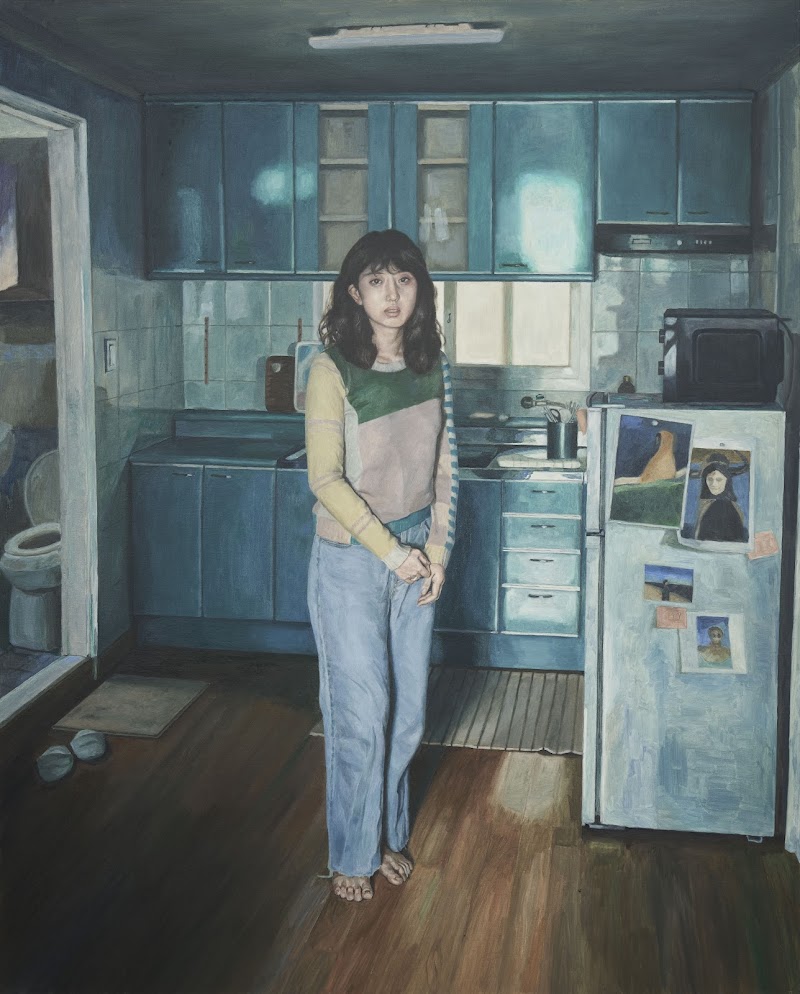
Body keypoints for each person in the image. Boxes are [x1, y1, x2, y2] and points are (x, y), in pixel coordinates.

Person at [304, 229, 458, 904]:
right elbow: (325, 479)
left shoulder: (433, 364)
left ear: (421, 288)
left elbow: (447, 467)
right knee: (360, 714)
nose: (392, 295)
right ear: (354, 293)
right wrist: (393, 554)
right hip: (352, 560)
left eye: (404, 279)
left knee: (409, 714)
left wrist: (437, 554)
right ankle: (351, 854)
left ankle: (387, 836)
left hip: (418, 552)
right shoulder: (330, 369)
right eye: (376, 281)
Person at [694, 454, 747, 542]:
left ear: (727, 481)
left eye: (719, 480)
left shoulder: (721, 505)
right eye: (710, 479)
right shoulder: (712, 503)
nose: (714, 484)